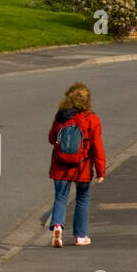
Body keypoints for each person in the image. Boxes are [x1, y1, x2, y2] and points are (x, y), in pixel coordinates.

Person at [48, 81, 106, 247]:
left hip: (60, 164)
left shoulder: (61, 116)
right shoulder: (92, 118)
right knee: (82, 198)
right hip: (82, 166)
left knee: (60, 197)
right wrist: (100, 170)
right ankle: (80, 236)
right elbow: (97, 147)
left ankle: (57, 226)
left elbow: (52, 138)